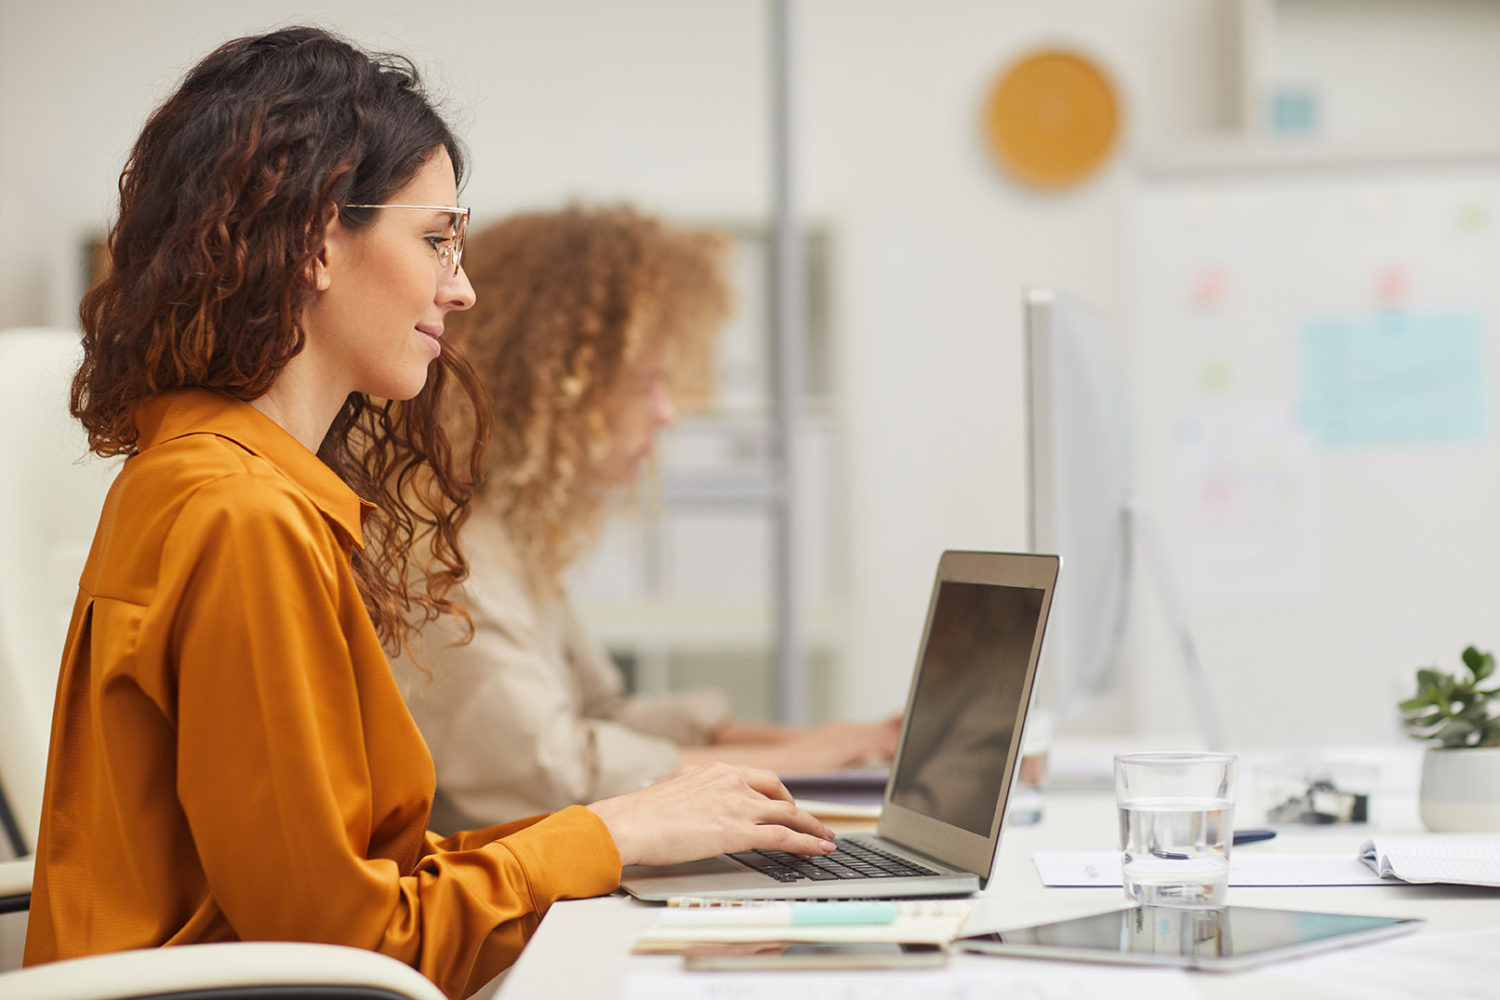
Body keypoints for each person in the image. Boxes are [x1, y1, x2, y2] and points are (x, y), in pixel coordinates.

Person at [22, 28, 836, 1000]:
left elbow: (352, 887)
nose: (463, 285)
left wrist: (627, 835)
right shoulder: (240, 515)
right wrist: (609, 835)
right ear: (319, 240)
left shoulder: (225, 482)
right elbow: (345, 944)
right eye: (436, 238)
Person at [397, 205, 900, 832]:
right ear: (557, 388)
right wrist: (799, 758)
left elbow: (600, 713)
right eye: (646, 383)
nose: (666, 413)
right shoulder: (446, 550)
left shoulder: (501, 530)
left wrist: (781, 742)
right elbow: (549, 773)